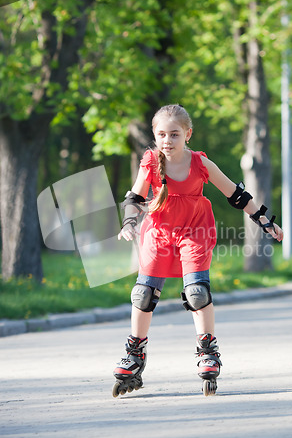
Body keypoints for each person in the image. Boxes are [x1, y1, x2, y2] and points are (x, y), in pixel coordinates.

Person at [112, 104, 283, 397]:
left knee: (197, 292)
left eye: (174, 134)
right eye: (162, 134)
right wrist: (129, 222)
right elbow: (135, 197)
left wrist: (265, 221)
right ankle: (135, 353)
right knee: (143, 293)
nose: (168, 140)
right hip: (159, 230)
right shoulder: (151, 161)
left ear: (187, 134)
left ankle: (207, 350)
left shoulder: (201, 163)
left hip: (195, 229)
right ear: (154, 135)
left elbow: (237, 194)